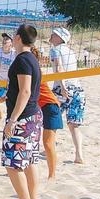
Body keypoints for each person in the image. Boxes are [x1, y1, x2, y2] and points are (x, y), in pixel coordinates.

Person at [1, 24, 43, 199]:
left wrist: (12, 120)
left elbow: (25, 91)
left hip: (24, 118)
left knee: (13, 163)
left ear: (17, 38)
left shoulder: (23, 60)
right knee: (29, 162)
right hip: (33, 116)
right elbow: (23, 90)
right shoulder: (32, 59)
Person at [49, 27, 86, 164]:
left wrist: (63, 88)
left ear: (60, 38)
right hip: (78, 89)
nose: (51, 35)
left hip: (62, 89)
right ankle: (79, 155)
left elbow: (60, 69)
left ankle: (50, 147)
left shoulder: (55, 50)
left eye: (54, 34)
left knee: (50, 121)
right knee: (74, 125)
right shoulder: (71, 51)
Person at [31, 46, 63, 181]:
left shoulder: (34, 71)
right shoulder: (31, 69)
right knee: (32, 141)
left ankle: (52, 175)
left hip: (50, 108)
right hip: (40, 107)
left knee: (48, 143)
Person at [0, 33, 16, 128]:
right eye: (4, 38)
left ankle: (11, 123)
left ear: (11, 43)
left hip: (12, 83)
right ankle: (0, 116)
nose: (4, 40)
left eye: (7, 39)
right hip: (1, 81)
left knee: (11, 105)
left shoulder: (15, 54)